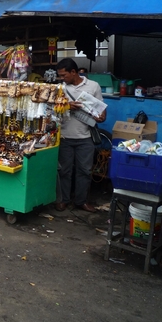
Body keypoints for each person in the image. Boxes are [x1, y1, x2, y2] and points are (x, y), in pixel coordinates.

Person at [55, 58, 106, 213]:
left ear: (73, 72)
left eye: (64, 75)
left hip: (85, 137)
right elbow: (51, 108)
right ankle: (63, 200)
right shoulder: (60, 88)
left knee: (85, 170)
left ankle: (81, 201)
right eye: (60, 76)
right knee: (64, 170)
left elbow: (101, 108)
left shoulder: (93, 86)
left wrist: (102, 116)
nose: (62, 78)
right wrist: (65, 105)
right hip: (64, 136)